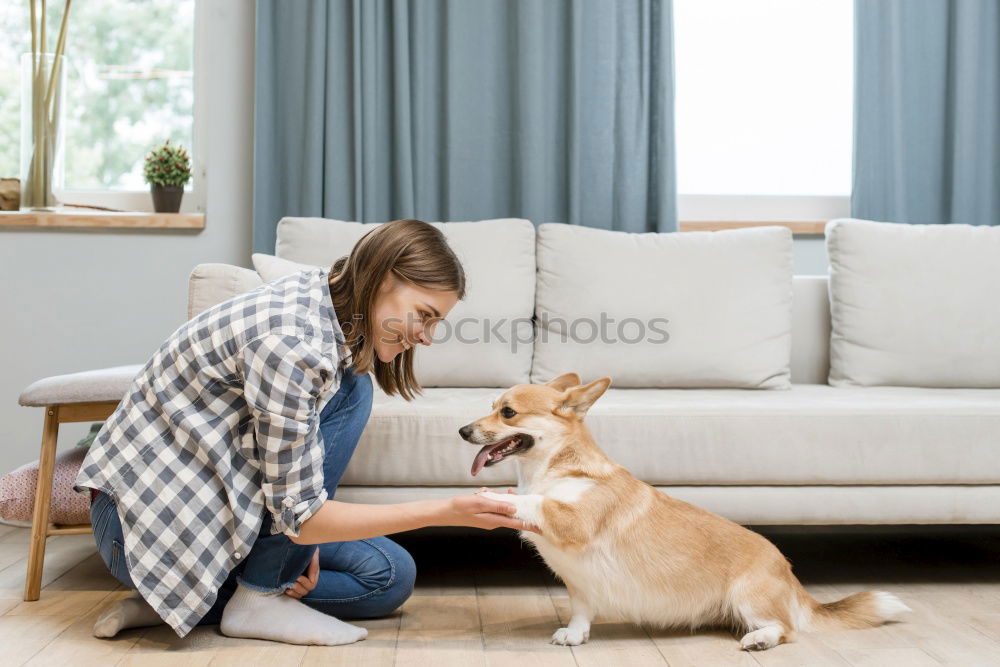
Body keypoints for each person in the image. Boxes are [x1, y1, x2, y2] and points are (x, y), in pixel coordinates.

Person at [75, 219, 537, 646]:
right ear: (381, 279)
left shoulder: (326, 300)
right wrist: (450, 509)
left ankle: (186, 601)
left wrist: (296, 540)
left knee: (390, 576)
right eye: (425, 314)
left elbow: (294, 494)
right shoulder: (292, 344)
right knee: (355, 391)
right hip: (141, 528)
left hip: (226, 509)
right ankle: (252, 598)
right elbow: (303, 516)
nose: (428, 337)